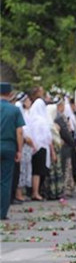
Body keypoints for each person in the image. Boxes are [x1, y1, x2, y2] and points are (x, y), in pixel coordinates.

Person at [0, 82, 25, 219]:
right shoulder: (14, 110)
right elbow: (20, 132)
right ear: (9, 94)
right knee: (5, 180)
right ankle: (2, 212)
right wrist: (19, 150)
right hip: (9, 146)